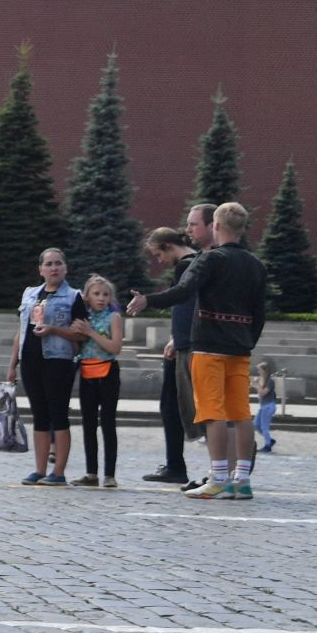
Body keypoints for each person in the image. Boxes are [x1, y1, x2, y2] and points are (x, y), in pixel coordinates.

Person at [129, 201, 269, 500]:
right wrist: (247, 340)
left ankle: (218, 477)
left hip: (208, 346)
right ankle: (241, 480)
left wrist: (147, 301)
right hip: (239, 347)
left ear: (216, 226)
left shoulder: (211, 259)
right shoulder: (256, 265)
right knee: (241, 413)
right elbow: (260, 312)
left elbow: (183, 291)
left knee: (213, 412)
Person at [8, 248, 88, 486]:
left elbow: (81, 334)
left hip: (58, 362)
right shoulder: (29, 294)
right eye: (49, 264)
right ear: (41, 269)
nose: (54, 268)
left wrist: (54, 330)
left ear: (65, 268)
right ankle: (39, 470)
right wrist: (12, 364)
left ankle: (59, 472)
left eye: (58, 264)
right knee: (39, 415)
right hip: (31, 362)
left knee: (58, 415)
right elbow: (20, 331)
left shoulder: (74, 297)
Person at [139, 227, 199, 485]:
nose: (159, 261)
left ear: (168, 247)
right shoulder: (200, 260)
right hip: (185, 341)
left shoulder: (186, 266)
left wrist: (180, 340)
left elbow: (187, 306)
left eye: (158, 254)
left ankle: (176, 466)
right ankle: (175, 464)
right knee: (178, 405)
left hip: (189, 346)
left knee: (180, 405)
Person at [72, 276, 125, 488]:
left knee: (108, 423)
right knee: (88, 424)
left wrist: (91, 333)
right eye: (96, 294)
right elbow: (77, 346)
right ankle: (91, 473)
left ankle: (110, 474)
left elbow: (115, 347)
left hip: (108, 372)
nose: (101, 298)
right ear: (87, 296)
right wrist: (78, 334)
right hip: (87, 371)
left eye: (105, 294)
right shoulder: (83, 318)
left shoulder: (113, 317)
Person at [254, 360, 278, 454]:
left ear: (264, 371)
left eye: (259, 370)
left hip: (268, 406)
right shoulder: (261, 380)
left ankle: (268, 446)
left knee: (264, 427)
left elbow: (263, 393)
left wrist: (257, 384)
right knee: (256, 424)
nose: (258, 372)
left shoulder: (270, 381)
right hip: (263, 406)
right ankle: (270, 440)